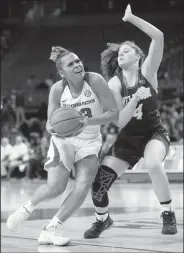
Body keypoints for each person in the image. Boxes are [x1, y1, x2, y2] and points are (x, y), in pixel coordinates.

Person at [6, 45, 150, 246]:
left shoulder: (95, 81)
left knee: (82, 186)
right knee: (56, 187)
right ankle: (25, 210)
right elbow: (49, 123)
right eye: (71, 64)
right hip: (63, 141)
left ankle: (50, 230)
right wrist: (53, 129)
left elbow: (113, 113)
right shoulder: (57, 89)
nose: (77, 65)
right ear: (61, 72)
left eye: (78, 61)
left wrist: (86, 122)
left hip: (89, 141)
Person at [84, 4, 177, 239]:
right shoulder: (115, 84)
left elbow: (159, 36)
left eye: (127, 50)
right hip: (126, 139)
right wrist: (135, 97)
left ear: (138, 56)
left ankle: (167, 213)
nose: (122, 53)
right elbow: (120, 122)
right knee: (97, 186)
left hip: (153, 134)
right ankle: (102, 220)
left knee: (154, 164)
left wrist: (132, 18)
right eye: (120, 52)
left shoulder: (149, 72)